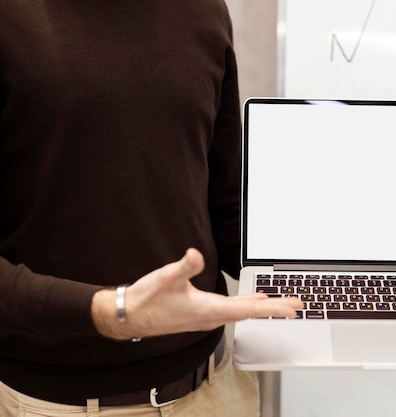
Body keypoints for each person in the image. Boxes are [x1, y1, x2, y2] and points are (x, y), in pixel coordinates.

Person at [0, 1, 302, 416]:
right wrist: (109, 312)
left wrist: (334, 268)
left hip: (214, 392)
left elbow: (224, 208)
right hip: (54, 404)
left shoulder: (205, 10)